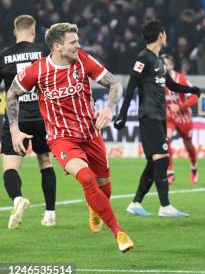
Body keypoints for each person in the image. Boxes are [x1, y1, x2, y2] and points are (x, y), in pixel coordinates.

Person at [6, 22, 133, 252]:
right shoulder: (38, 70)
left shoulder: (83, 60)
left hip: (89, 133)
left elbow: (114, 83)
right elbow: (12, 93)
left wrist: (109, 109)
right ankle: (119, 232)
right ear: (57, 46)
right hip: (61, 138)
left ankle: (95, 208)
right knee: (86, 178)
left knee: (104, 186)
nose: (78, 45)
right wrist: (14, 129)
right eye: (73, 42)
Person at [114, 20, 199, 218]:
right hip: (148, 115)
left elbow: (172, 85)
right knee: (162, 158)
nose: (166, 37)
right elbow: (132, 87)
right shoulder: (143, 58)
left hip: (160, 116)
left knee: (154, 163)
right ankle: (165, 206)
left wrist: (192, 90)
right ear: (161, 36)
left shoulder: (160, 62)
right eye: (165, 34)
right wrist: (122, 115)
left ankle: (135, 203)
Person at [0, 15, 56, 229]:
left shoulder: (4, 56)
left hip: (16, 120)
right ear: (33, 32)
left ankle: (17, 199)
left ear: (15, 32)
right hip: (42, 118)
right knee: (45, 162)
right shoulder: (44, 54)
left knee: (10, 168)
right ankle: (50, 214)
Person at [161, 54, 199, 185]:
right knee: (167, 139)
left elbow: (194, 96)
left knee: (188, 144)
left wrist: (180, 106)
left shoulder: (181, 79)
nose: (163, 66)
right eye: (161, 63)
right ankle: (170, 171)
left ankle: (194, 166)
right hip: (169, 116)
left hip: (184, 117)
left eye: (166, 63)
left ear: (171, 65)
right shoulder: (158, 80)